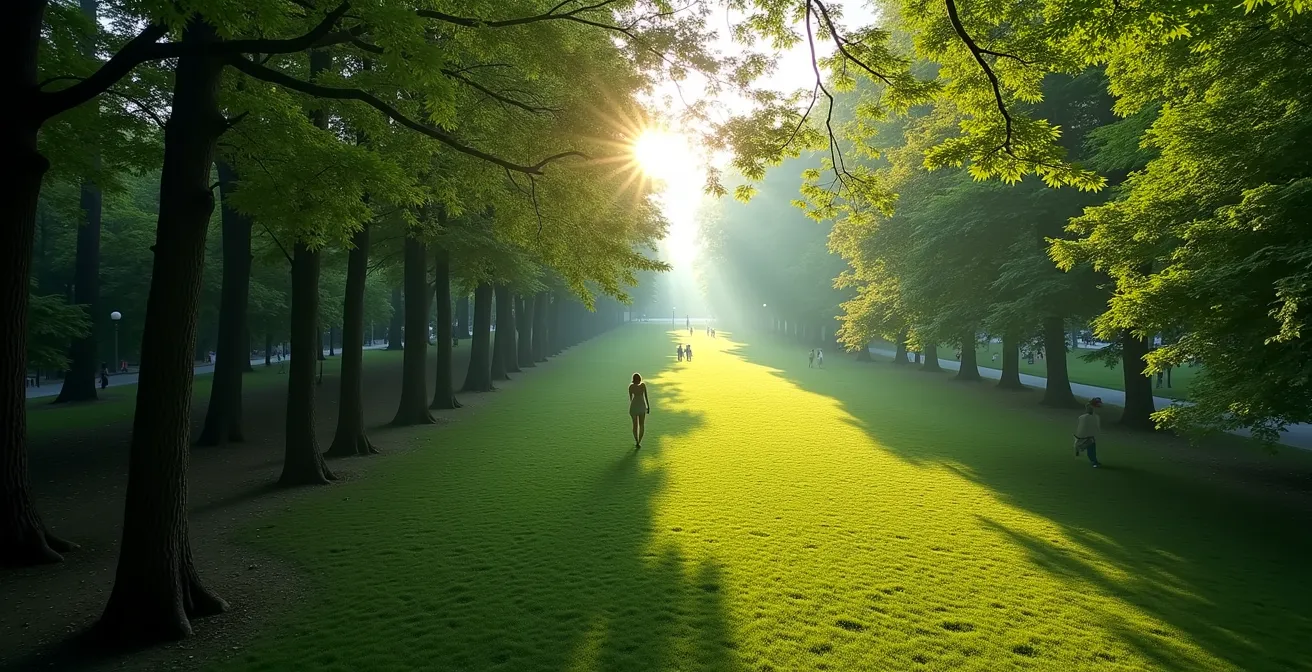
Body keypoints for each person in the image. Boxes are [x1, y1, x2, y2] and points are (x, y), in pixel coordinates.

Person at [1073, 398, 1103, 468]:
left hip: (1089, 434)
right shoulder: (1089, 412)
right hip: (1088, 434)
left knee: (1090, 445)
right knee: (1090, 446)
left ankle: (1093, 460)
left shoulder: (1090, 414)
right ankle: (1094, 462)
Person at [628, 373, 651, 448]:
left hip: (634, 407)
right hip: (641, 406)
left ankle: (636, 441)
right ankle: (639, 441)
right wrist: (648, 407)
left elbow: (631, 399)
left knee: (635, 425)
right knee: (641, 425)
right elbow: (646, 396)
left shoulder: (630, 387)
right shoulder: (643, 385)